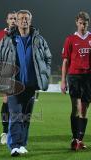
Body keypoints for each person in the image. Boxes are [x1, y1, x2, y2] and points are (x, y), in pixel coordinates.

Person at [0, 10, 51, 156]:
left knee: (26, 117)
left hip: (31, 85)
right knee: (16, 115)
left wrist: (44, 74)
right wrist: (1, 79)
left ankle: (22, 144)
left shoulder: (39, 40)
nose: (24, 21)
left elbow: (47, 58)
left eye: (26, 18)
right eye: (21, 19)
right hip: (13, 85)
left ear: (30, 21)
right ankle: (13, 145)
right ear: (17, 22)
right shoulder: (8, 39)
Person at [61, 11, 91, 151]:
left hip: (88, 78)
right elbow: (65, 61)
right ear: (76, 23)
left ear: (88, 23)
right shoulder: (70, 39)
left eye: (85, 23)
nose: (82, 26)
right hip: (74, 76)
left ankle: (80, 139)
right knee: (76, 108)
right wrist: (63, 81)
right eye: (80, 23)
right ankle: (74, 138)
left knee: (84, 110)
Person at [0, 11, 17, 145]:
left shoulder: (22, 33)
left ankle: (15, 131)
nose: (13, 20)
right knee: (6, 100)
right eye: (11, 18)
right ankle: (4, 131)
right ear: (6, 20)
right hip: (6, 72)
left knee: (18, 103)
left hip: (19, 74)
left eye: (15, 18)